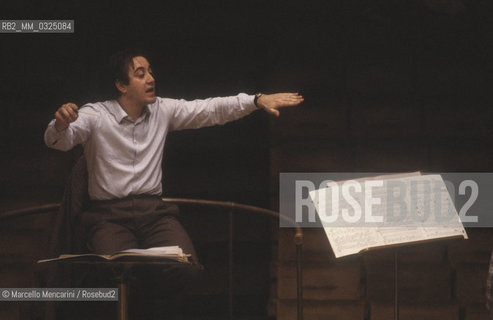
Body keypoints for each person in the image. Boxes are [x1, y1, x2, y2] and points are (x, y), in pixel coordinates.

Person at [43, 48, 303, 318]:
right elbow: (58, 140)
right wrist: (60, 124)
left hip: (153, 214)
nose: (150, 79)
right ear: (121, 85)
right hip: (108, 216)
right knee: (116, 270)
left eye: (151, 72)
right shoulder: (96, 115)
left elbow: (209, 109)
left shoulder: (162, 110)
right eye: (140, 74)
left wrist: (256, 100)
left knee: (184, 266)